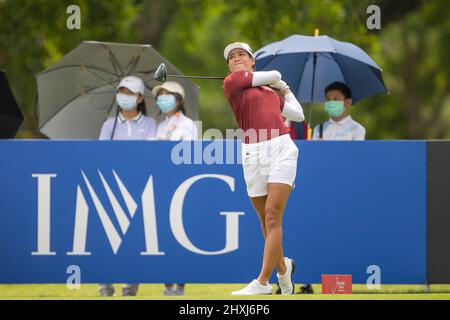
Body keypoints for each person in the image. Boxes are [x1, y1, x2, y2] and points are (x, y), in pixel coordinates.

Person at [223, 42, 305, 295]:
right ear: (228, 66)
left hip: (281, 148)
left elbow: (299, 115)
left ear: (252, 60)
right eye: (232, 57)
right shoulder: (232, 82)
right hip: (252, 154)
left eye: (242, 55)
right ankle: (284, 270)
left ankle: (261, 282)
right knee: (265, 221)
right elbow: (276, 75)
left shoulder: (269, 93)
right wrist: (278, 82)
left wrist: (285, 90)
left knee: (272, 216)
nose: (236, 59)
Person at [98, 75, 157, 297]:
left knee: (134, 237)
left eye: (130, 93)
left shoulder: (151, 124)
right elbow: (100, 157)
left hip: (139, 187)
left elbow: (150, 155)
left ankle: (130, 284)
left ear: (140, 97)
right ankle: (104, 283)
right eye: (121, 92)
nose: (124, 97)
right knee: (107, 236)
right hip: (111, 186)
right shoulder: (108, 125)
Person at [152, 81, 198, 295]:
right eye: (160, 96)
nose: (163, 99)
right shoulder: (158, 125)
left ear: (178, 100)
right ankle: (166, 284)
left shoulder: (188, 124)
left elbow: (186, 153)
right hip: (159, 184)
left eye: (168, 95)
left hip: (180, 184)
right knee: (162, 234)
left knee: (180, 232)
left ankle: (180, 284)